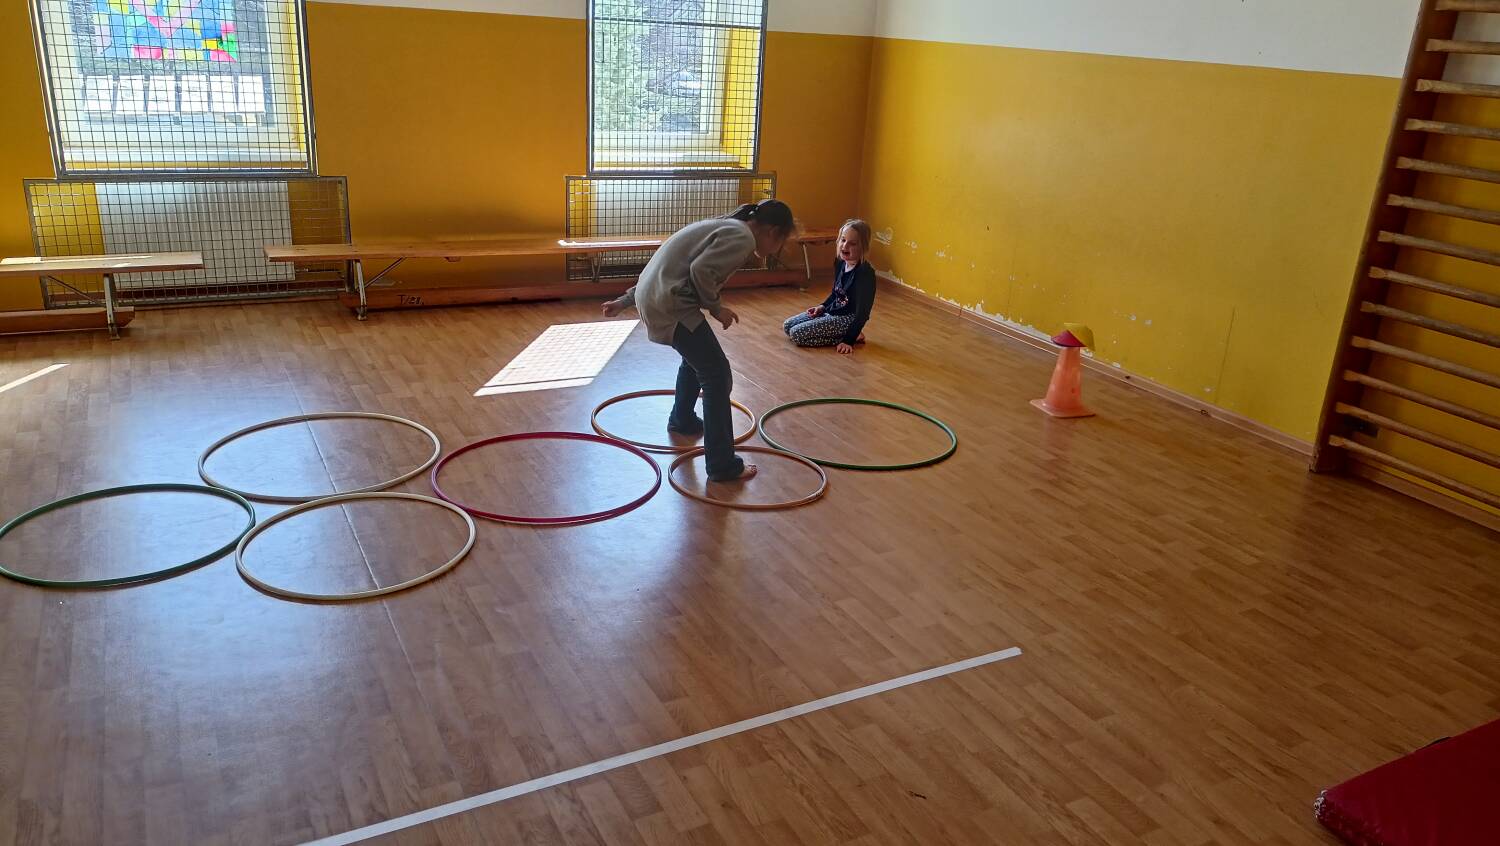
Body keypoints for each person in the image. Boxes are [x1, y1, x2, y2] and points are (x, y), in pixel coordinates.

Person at [602, 200, 798, 482]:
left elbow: (666, 266)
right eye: (781, 243)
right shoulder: (742, 237)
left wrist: (625, 300)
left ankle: (682, 420)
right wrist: (716, 308)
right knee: (717, 375)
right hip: (672, 305)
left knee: (696, 359)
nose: (777, 249)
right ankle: (722, 465)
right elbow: (700, 271)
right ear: (773, 232)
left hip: (655, 297)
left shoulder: (725, 226)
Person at [781, 219, 876, 354]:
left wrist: (848, 340)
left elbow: (862, 313)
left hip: (847, 319)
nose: (845, 246)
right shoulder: (840, 262)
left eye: (852, 243)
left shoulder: (865, 274)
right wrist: (822, 307)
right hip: (832, 311)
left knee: (797, 334)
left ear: (863, 247)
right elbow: (837, 293)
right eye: (843, 240)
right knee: (788, 326)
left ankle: (850, 335)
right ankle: (841, 332)